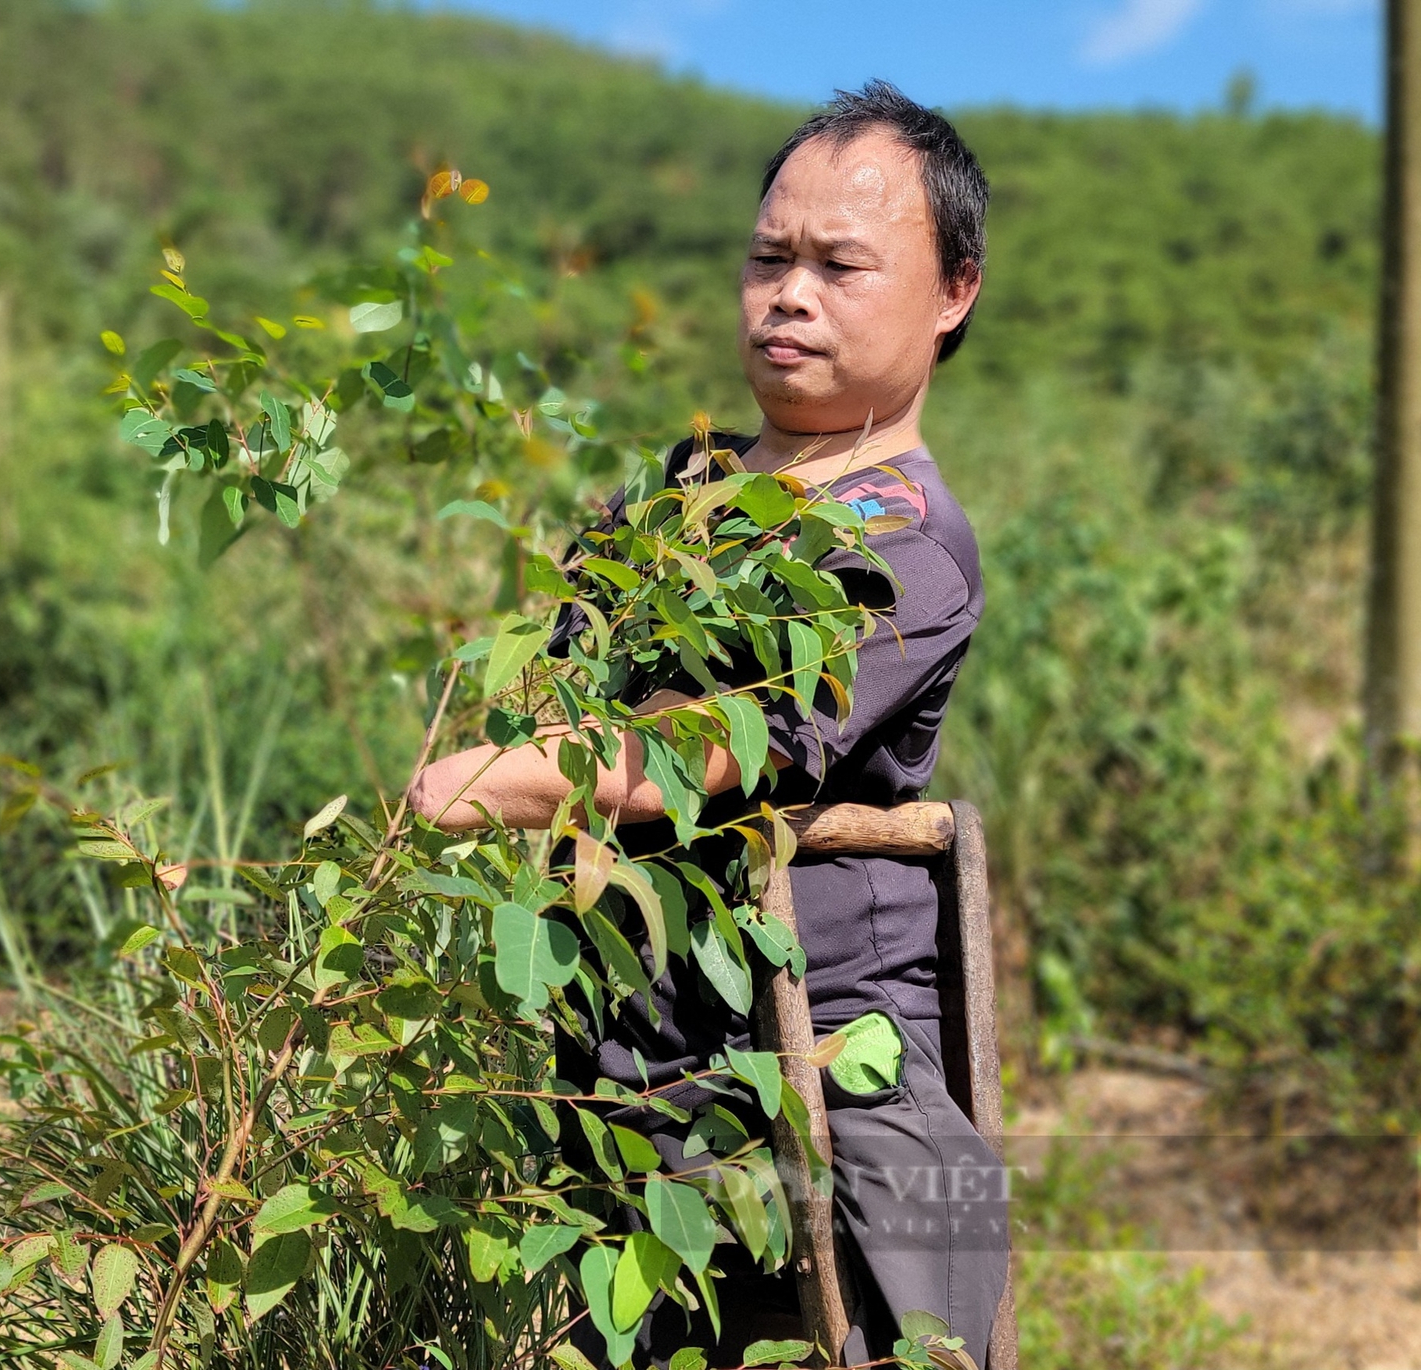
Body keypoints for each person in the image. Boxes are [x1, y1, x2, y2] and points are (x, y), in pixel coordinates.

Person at [406, 81, 1009, 1367]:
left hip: (816, 1088)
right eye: (766, 259)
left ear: (952, 290)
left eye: (840, 264)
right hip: (623, 1081)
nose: (788, 294)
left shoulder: (906, 544)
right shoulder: (670, 494)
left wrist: (487, 780)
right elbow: (559, 692)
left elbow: (714, 751)